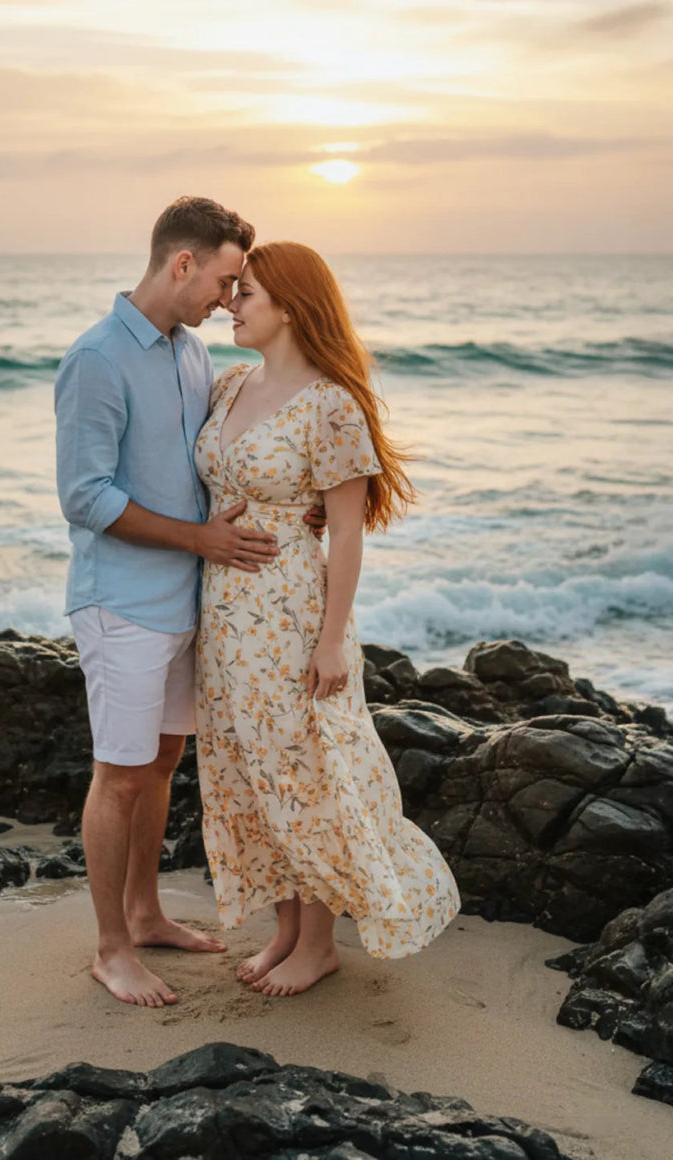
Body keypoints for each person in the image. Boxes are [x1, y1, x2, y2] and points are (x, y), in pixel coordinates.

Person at [55, 198, 322, 1008]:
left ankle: (143, 912)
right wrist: (200, 540)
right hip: (124, 604)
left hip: (192, 603)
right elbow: (85, 496)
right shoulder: (97, 359)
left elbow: (224, 455)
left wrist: (296, 505)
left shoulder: (189, 355)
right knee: (120, 775)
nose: (226, 297)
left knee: (163, 763)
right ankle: (110, 949)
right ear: (182, 264)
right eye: (224, 278)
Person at [194, 241, 461, 997]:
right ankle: (284, 930)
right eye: (233, 291)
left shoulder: (331, 403)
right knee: (249, 769)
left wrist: (331, 641)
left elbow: (346, 532)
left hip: (290, 612)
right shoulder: (232, 384)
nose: (232, 304)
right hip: (223, 612)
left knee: (304, 770)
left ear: (289, 305)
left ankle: (319, 944)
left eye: (246, 293)